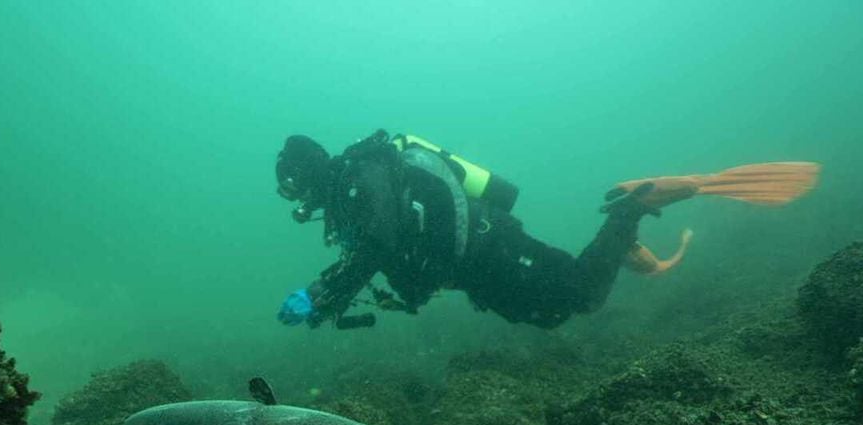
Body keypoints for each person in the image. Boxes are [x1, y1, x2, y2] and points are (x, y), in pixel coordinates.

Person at [274, 129, 819, 330]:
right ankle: (627, 238)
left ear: (308, 175)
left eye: (296, 190)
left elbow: (378, 247)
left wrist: (318, 294)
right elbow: (386, 247)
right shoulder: (357, 188)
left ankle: (632, 206)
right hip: (478, 266)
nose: (300, 204)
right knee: (547, 314)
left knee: (580, 294)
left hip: (492, 249)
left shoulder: (361, 180)